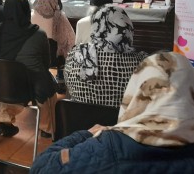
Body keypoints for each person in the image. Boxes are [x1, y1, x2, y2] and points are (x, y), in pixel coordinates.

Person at [31, 52, 194, 173]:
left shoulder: (106, 150)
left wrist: (85, 134)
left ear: (138, 89)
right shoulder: (133, 58)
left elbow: (41, 167)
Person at [0, 0, 56, 138]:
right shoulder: (39, 34)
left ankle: (5, 122)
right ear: (26, 10)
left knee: (6, 74)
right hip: (30, 88)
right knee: (47, 82)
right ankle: (47, 129)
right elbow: (46, 63)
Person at [64, 6, 147, 108]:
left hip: (79, 122)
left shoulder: (75, 56)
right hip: (120, 122)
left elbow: (69, 89)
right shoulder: (140, 62)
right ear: (127, 28)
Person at [32, 0, 75, 94]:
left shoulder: (31, 15)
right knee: (64, 47)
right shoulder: (60, 16)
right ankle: (61, 80)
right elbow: (71, 39)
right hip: (56, 58)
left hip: (36, 57)